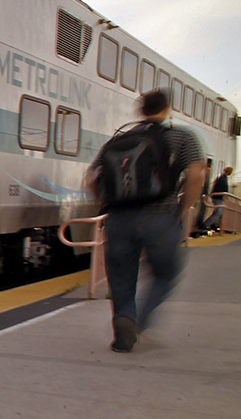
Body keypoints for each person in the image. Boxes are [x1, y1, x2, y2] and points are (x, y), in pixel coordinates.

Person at [88, 89, 206, 353]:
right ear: (167, 109)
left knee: (120, 278)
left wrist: (107, 205)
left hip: (118, 218)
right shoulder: (181, 136)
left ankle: (123, 324)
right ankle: (138, 320)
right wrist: (183, 211)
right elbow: (196, 174)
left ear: (141, 110)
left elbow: (90, 178)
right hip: (159, 214)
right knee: (166, 273)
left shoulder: (118, 139)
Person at [201, 166, 232, 232]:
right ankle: (206, 224)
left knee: (218, 212)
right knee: (218, 212)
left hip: (217, 197)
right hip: (218, 197)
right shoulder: (222, 179)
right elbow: (223, 188)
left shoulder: (221, 178)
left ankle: (213, 224)